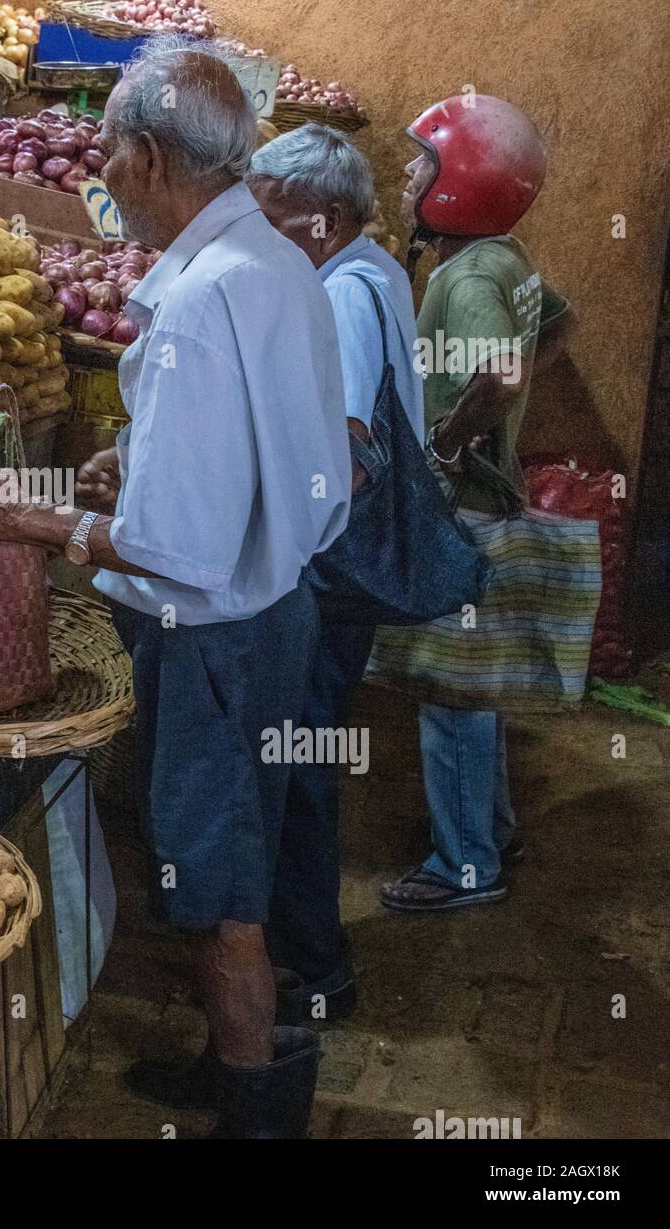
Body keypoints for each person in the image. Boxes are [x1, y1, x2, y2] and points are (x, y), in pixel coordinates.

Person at [0, 37, 352, 1138]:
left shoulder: (205, 300)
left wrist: (22, 516)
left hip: (216, 635)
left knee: (219, 899)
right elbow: (278, 460)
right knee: (234, 856)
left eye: (109, 153)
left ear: (152, 158)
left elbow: (180, 549)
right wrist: (148, 466)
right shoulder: (274, 266)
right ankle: (234, 1066)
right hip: (272, 618)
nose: (99, 175)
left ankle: (256, 1107)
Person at [246, 124, 420, 1017]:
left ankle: (313, 969)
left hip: (331, 570)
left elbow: (346, 456)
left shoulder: (342, 299)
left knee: (300, 764)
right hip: (352, 569)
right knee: (306, 753)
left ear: (327, 218)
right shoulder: (377, 271)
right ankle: (307, 956)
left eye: (273, 216)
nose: (259, 230)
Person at [379, 93, 549, 912]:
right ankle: (494, 828)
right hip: (489, 493)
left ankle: (464, 866)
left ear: (460, 184)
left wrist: (449, 440)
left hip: (461, 503)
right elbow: (553, 326)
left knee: (451, 693)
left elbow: (504, 374)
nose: (408, 175)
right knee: (477, 687)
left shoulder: (469, 274)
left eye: (421, 163)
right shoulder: (509, 260)